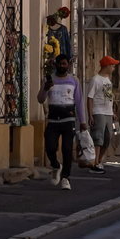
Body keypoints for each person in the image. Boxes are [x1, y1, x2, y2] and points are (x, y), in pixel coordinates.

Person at [38, 54, 85, 190]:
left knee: (67, 149)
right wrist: (45, 88)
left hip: (68, 120)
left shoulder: (74, 80)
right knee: (50, 147)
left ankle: (65, 178)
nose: (62, 66)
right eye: (59, 64)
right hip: (53, 120)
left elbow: (79, 102)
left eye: (64, 64)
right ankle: (56, 165)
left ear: (68, 65)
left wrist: (82, 121)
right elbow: (40, 99)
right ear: (55, 65)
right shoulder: (49, 80)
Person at [88, 55, 117, 172]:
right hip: (98, 111)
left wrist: (112, 112)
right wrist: (90, 114)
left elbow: (108, 97)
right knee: (98, 138)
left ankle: (99, 160)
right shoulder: (95, 80)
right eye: (112, 65)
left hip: (108, 113)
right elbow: (90, 98)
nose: (114, 68)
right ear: (107, 66)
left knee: (107, 138)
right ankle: (94, 163)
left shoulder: (108, 80)